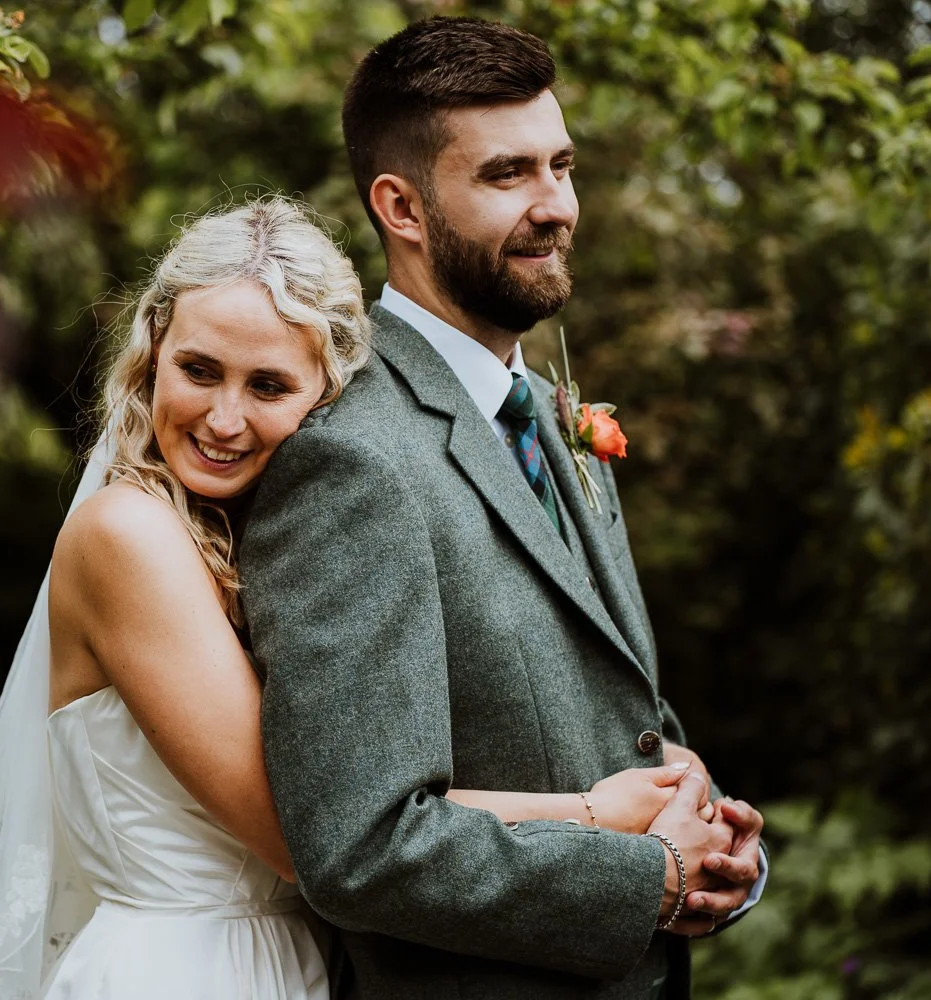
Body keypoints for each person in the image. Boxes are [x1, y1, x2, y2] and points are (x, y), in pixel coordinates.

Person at [0, 196, 721, 1000]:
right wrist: (597, 813)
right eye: (198, 370)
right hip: (185, 969)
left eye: (268, 386)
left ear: (325, 399)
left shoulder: (257, 537)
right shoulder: (128, 536)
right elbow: (309, 828)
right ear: (152, 355)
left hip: (299, 965)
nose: (224, 418)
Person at [238, 18, 767, 1000]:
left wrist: (710, 838)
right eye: (507, 175)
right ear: (399, 205)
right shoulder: (350, 461)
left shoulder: (551, 413)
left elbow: (615, 718)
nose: (556, 205)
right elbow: (362, 843)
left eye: (561, 166)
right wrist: (646, 879)